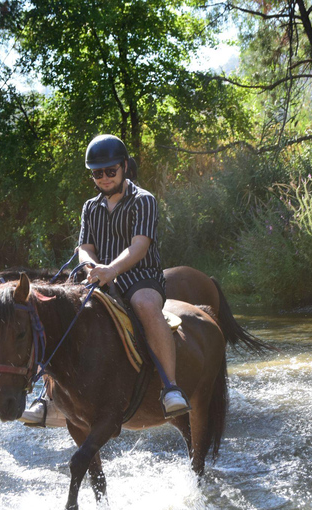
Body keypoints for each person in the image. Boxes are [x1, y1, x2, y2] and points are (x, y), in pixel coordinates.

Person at [21, 134, 191, 426]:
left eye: (110, 170)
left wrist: (110, 269)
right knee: (59, 312)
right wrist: (91, 266)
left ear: (124, 166)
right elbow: (85, 249)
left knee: (146, 304)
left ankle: (170, 388)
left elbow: (139, 246)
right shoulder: (90, 207)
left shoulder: (144, 200)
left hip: (141, 277)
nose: (104, 177)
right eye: (97, 173)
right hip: (99, 278)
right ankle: (48, 397)